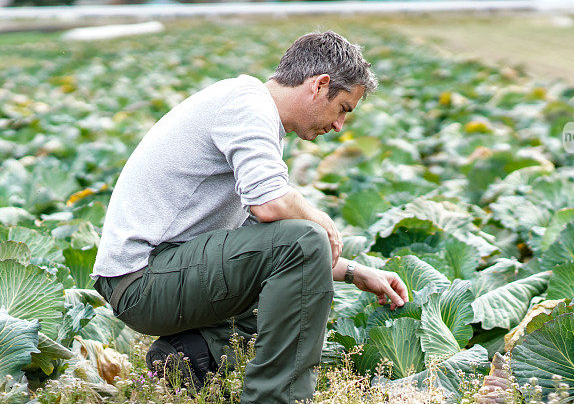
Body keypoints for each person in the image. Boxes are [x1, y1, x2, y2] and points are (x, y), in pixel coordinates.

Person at [91, 31, 408, 403]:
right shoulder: (246, 104)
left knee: (292, 292)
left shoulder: (256, 114)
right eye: (343, 108)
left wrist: (354, 273)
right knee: (305, 240)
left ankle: (191, 354)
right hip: (140, 282)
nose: (339, 126)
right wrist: (320, 219)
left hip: (162, 274)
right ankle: (276, 399)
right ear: (320, 86)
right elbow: (271, 205)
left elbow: (261, 238)